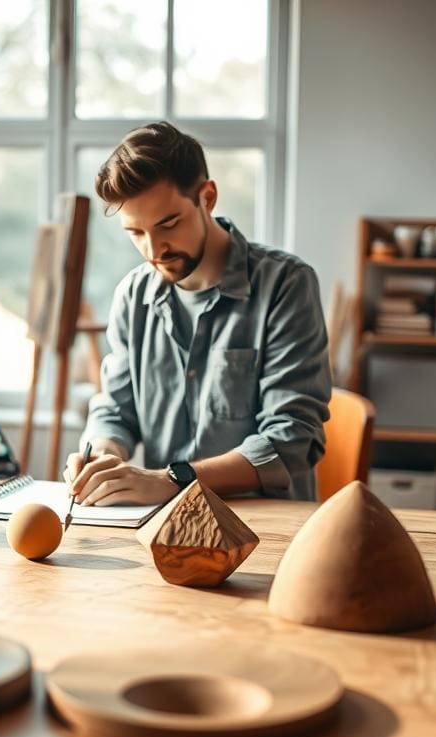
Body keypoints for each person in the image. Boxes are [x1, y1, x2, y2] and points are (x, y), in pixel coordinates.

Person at [64, 121, 331, 506]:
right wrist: (103, 453)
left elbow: (293, 439)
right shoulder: (132, 295)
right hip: (167, 528)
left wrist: (175, 480)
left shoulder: (287, 285)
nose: (155, 249)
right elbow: (116, 409)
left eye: (168, 223)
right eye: (135, 232)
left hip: (268, 525)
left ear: (207, 197)